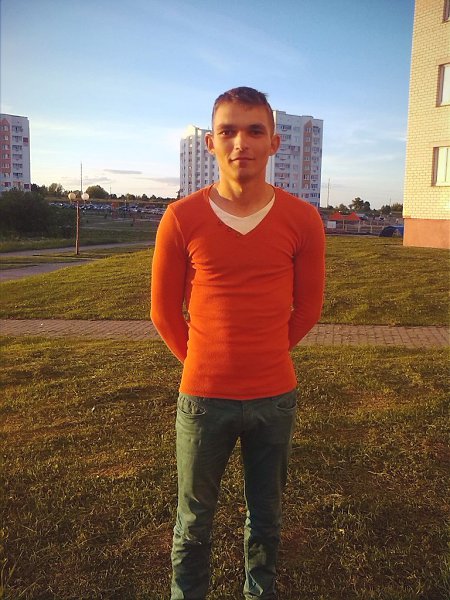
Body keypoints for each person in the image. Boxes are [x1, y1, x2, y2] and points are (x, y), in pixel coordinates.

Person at [151, 86, 325, 599]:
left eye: (254, 131)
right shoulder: (180, 217)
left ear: (274, 143)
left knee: (266, 519)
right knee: (193, 522)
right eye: (227, 131)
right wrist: (204, 361)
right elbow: (164, 313)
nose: (240, 143)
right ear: (211, 142)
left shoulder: (303, 219)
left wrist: (264, 354)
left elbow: (307, 310)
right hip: (203, 400)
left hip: (275, 399)